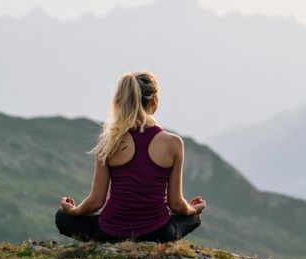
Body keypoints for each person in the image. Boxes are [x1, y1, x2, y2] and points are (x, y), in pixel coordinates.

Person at [55, 71, 205, 243]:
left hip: (110, 233)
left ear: (121, 101)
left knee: (62, 217)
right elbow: (176, 204)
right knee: (193, 218)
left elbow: (96, 201)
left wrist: (73, 211)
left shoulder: (109, 141)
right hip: (159, 233)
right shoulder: (173, 143)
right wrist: (194, 209)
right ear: (154, 100)